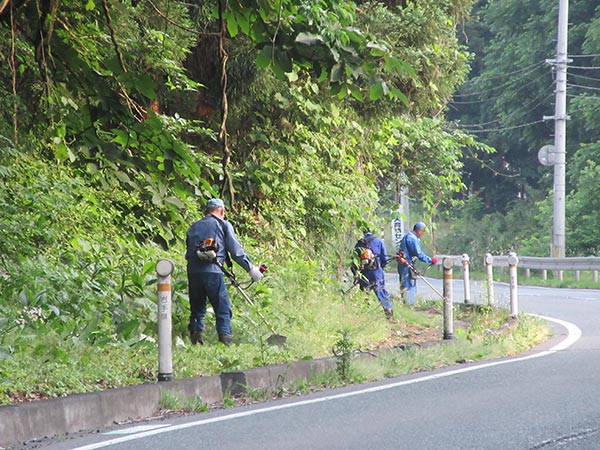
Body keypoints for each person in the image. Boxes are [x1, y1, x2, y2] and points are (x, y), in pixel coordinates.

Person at [185, 198, 263, 346]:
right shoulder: (223, 224)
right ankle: (225, 342)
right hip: (213, 272)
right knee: (222, 307)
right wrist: (251, 269)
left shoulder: (194, 226)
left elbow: (189, 249)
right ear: (222, 211)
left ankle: (196, 340)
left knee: (197, 308)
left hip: (193, 272)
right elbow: (236, 252)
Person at [354, 230, 394, 319]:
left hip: (364, 273)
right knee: (381, 291)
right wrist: (381, 268)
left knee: (364, 293)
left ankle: (363, 315)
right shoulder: (378, 241)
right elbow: (384, 258)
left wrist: (356, 275)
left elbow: (355, 261)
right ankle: (389, 314)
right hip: (376, 271)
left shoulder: (359, 244)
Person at [397, 222, 438, 305]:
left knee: (406, 284)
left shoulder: (409, 236)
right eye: (422, 231)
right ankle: (409, 304)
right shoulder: (412, 238)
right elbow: (418, 253)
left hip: (406, 264)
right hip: (406, 265)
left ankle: (408, 303)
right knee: (408, 285)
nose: (423, 233)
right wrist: (430, 260)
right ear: (418, 230)